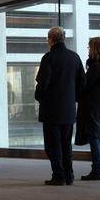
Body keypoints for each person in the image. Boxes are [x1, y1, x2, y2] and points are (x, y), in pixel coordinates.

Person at [35, 27, 85, 186]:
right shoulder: (74, 57)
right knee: (66, 144)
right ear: (63, 38)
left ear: (50, 39)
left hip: (51, 109)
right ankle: (69, 175)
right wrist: (73, 99)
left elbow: (43, 82)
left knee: (52, 145)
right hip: (69, 109)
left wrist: (40, 97)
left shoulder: (48, 58)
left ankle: (58, 175)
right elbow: (81, 83)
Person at [75, 37, 100, 181]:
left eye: (89, 48)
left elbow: (85, 87)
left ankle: (97, 170)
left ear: (94, 49)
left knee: (94, 137)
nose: (88, 50)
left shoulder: (96, 67)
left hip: (92, 106)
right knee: (98, 137)